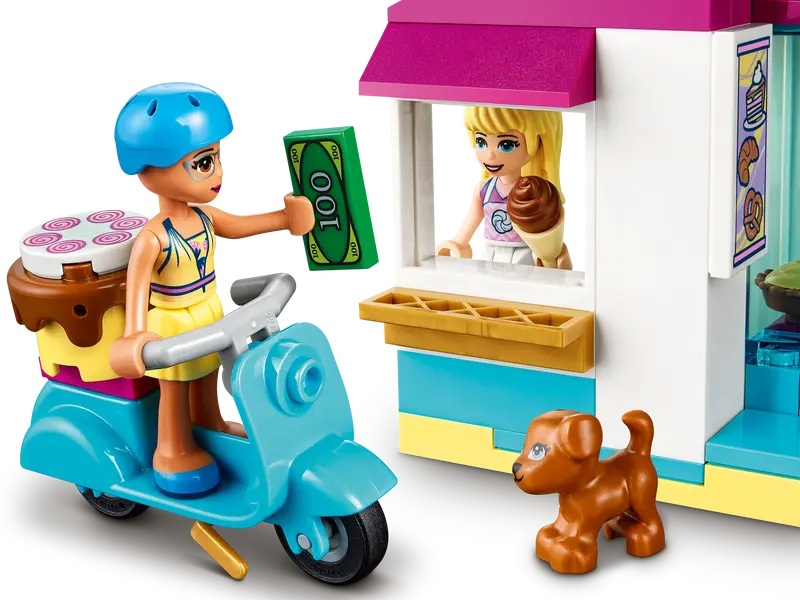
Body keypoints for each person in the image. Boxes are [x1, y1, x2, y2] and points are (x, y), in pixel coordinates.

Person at [109, 83, 315, 496]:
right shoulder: (153, 238)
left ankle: (209, 424)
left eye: (217, 158)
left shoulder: (205, 216)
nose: (218, 173)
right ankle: (172, 450)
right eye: (203, 163)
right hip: (171, 324)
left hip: (209, 312)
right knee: (175, 389)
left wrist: (285, 219)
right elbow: (137, 287)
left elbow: (240, 226)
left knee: (207, 376)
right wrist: (133, 334)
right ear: (151, 169)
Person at [436, 106, 571, 268]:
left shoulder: (535, 192)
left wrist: (550, 255)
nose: (490, 155)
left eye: (506, 144)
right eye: (481, 142)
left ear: (539, 141)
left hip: (524, 252)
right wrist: (458, 242)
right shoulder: (484, 190)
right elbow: (473, 217)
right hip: (490, 251)